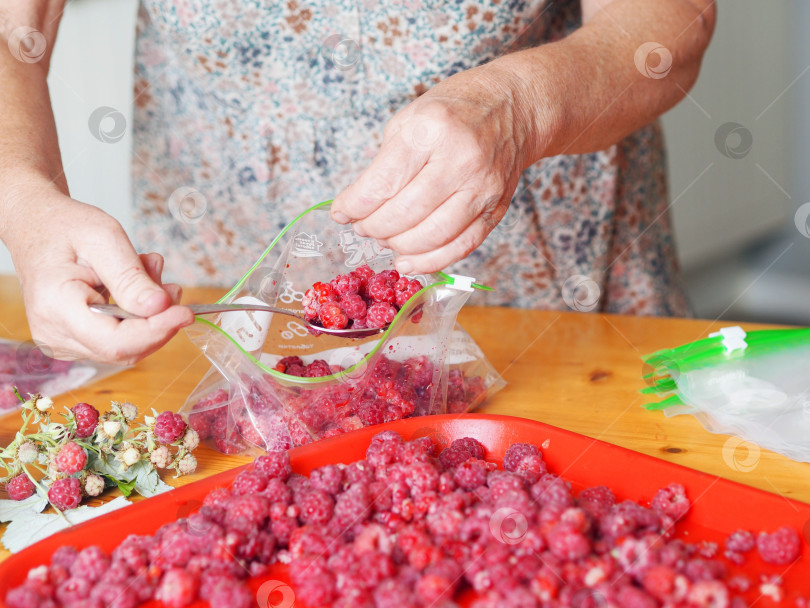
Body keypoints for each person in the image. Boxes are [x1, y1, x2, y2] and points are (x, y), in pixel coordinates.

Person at [0, 0, 715, 366]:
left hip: (542, 297)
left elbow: (668, 27)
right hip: (226, 284)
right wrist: (23, 196)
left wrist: (519, 111)